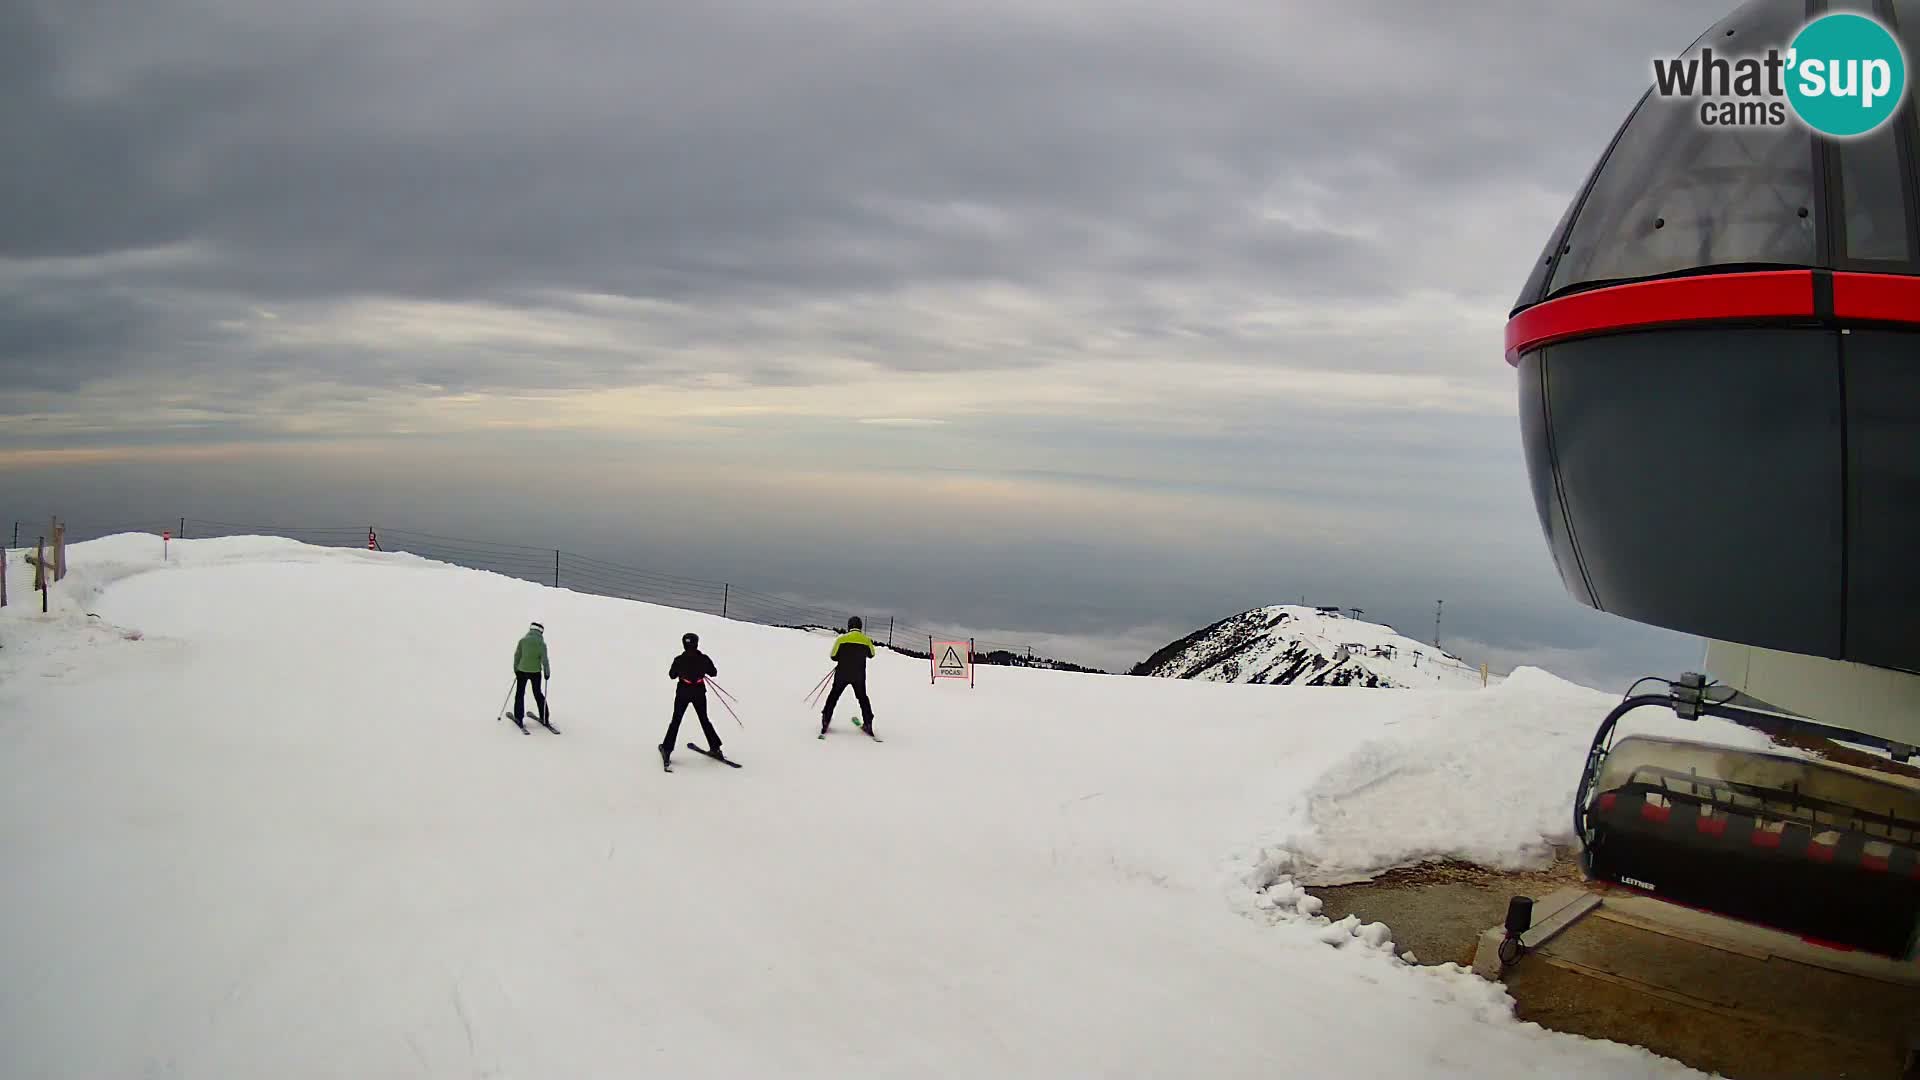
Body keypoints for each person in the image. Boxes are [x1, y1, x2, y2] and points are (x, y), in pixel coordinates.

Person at [662, 631, 722, 767]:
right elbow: (713, 673)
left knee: (676, 721)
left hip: (683, 691)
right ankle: (716, 748)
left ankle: (667, 749)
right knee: (704, 719)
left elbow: (672, 675)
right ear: (697, 644)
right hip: (699, 692)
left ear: (684, 645)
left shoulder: (679, 660)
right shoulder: (704, 658)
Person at [821, 616, 877, 738]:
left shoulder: (841, 639)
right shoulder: (866, 640)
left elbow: (833, 656)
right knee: (862, 698)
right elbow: (871, 654)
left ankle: (826, 720)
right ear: (860, 627)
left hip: (842, 674)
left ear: (849, 626)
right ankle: (868, 723)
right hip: (859, 676)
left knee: (834, 696)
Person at [512, 621, 553, 731]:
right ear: (541, 631)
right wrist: (547, 673)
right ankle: (545, 717)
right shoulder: (541, 644)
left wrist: (516, 669)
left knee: (520, 693)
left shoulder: (523, 641)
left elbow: (517, 656)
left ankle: (519, 717)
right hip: (536, 672)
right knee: (538, 693)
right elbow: (545, 660)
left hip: (522, 671)